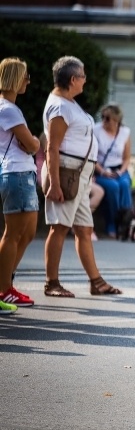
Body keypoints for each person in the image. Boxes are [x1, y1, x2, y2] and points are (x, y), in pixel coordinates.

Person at [41, 56, 121, 297]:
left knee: (84, 229)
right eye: (83, 76)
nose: (86, 80)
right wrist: (54, 183)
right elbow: (52, 147)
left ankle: (96, 281)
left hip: (79, 175)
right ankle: (51, 283)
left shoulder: (69, 103)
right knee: (59, 227)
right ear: (73, 79)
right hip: (66, 173)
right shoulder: (59, 106)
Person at [0, 57, 39, 312]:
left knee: (27, 233)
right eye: (25, 76)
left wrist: (32, 143)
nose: (28, 80)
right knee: (13, 234)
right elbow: (32, 144)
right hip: (17, 174)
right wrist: (34, 142)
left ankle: (7, 284)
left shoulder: (10, 108)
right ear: (15, 78)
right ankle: (4, 289)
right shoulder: (8, 109)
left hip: (22, 173)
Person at [93, 103, 133, 238]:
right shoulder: (96, 130)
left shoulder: (125, 132)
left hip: (119, 169)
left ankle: (127, 222)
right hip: (101, 170)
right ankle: (112, 222)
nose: (104, 121)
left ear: (116, 120)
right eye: (102, 117)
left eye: (107, 118)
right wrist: (103, 172)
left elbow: (127, 158)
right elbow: (91, 157)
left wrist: (121, 171)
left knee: (124, 184)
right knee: (113, 186)